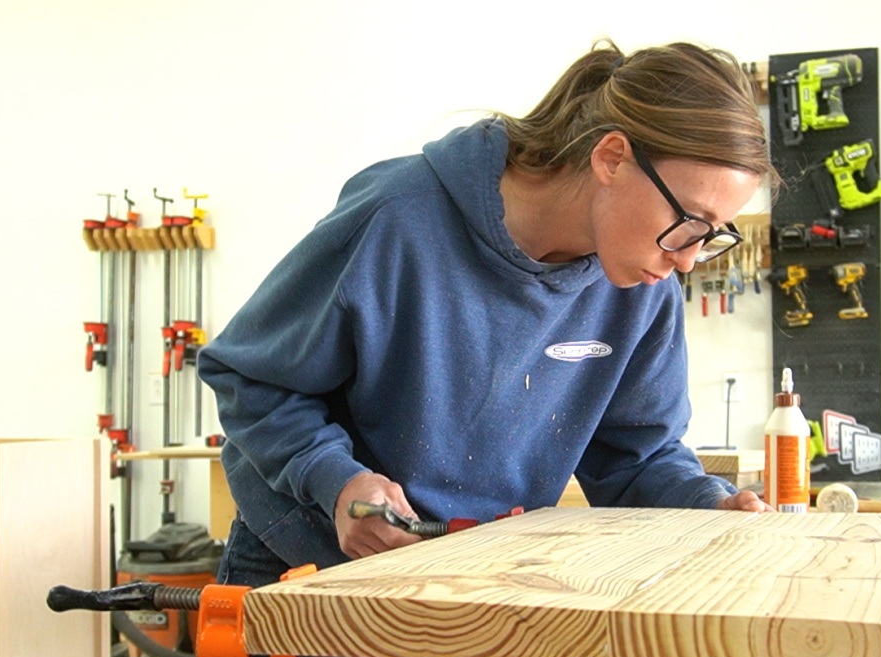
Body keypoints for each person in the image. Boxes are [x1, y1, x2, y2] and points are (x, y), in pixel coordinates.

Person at [199, 39, 776, 587]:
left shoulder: (642, 282)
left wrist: (710, 505)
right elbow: (251, 378)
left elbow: (637, 458)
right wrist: (336, 480)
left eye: (712, 236)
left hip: (476, 578)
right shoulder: (397, 219)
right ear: (612, 158)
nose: (689, 261)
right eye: (689, 224)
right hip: (311, 564)